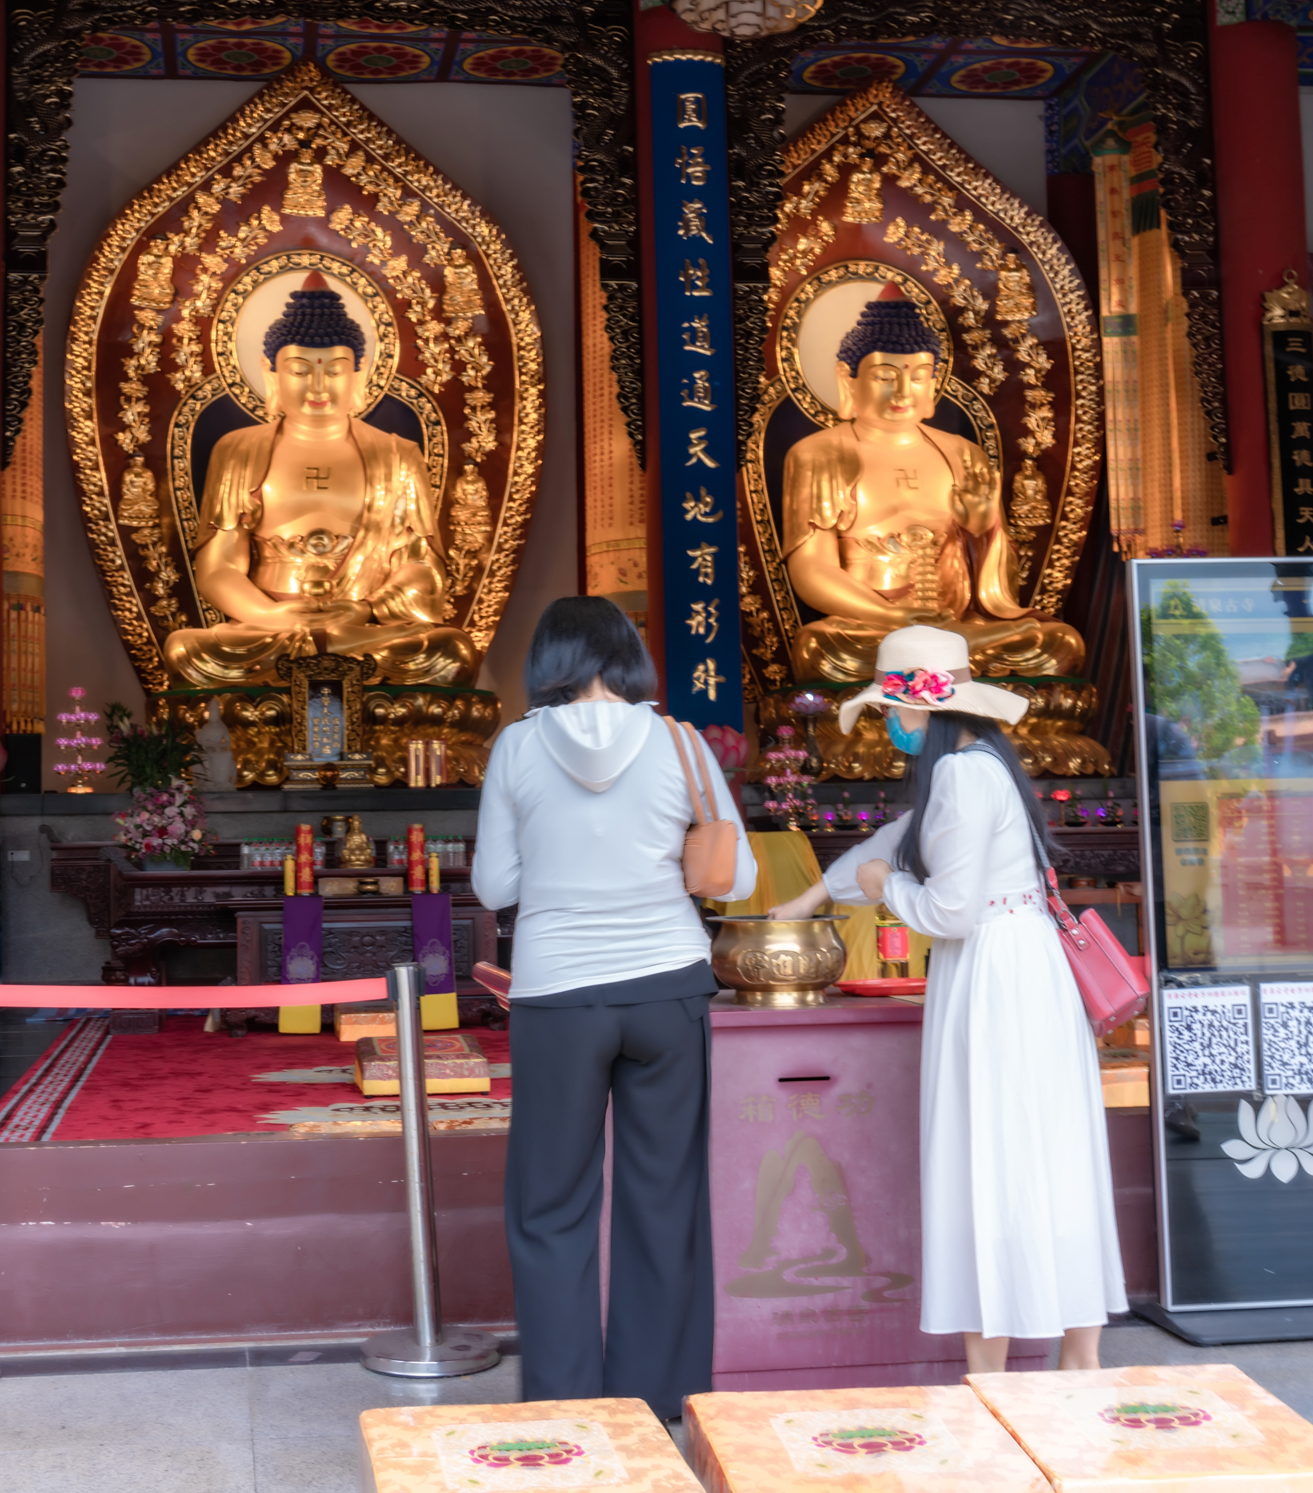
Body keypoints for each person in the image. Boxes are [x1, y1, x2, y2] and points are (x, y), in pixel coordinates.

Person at [768, 624, 1123, 1373]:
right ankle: (1079, 1357)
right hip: (1024, 967)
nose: (887, 727)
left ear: (920, 711)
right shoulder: (985, 764)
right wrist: (801, 903)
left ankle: (988, 1370)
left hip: (993, 974)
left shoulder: (960, 777)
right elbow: (893, 841)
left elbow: (945, 909)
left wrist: (885, 892)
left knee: (986, 1157)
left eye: (889, 712)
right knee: (1049, 1155)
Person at [474, 596, 758, 1420]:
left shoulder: (518, 745)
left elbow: (494, 885)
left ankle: (565, 1400)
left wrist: (561, 859)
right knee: (664, 1195)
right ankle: (659, 1397)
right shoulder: (680, 743)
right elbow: (734, 880)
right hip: (668, 987)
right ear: (629, 657)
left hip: (559, 994)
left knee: (551, 1203)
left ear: (548, 661)